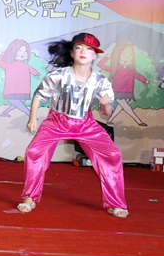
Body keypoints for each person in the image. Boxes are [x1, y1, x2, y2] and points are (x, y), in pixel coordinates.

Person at [17, 32, 128, 218]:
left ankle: (115, 203)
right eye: (79, 48)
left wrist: (106, 104)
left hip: (86, 124)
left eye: (89, 49)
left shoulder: (100, 81)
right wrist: (32, 118)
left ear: (95, 55)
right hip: (56, 122)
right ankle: (29, 197)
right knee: (34, 152)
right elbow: (39, 95)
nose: (83, 52)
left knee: (113, 154)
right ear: (72, 52)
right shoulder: (59, 76)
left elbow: (107, 112)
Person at [97, 40, 149, 126]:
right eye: (123, 54)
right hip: (117, 91)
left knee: (120, 107)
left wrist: (144, 80)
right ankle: (139, 121)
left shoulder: (131, 69)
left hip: (128, 91)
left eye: (129, 55)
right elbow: (100, 64)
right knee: (126, 107)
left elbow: (137, 75)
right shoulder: (115, 68)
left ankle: (109, 120)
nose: (126, 58)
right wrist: (108, 56)